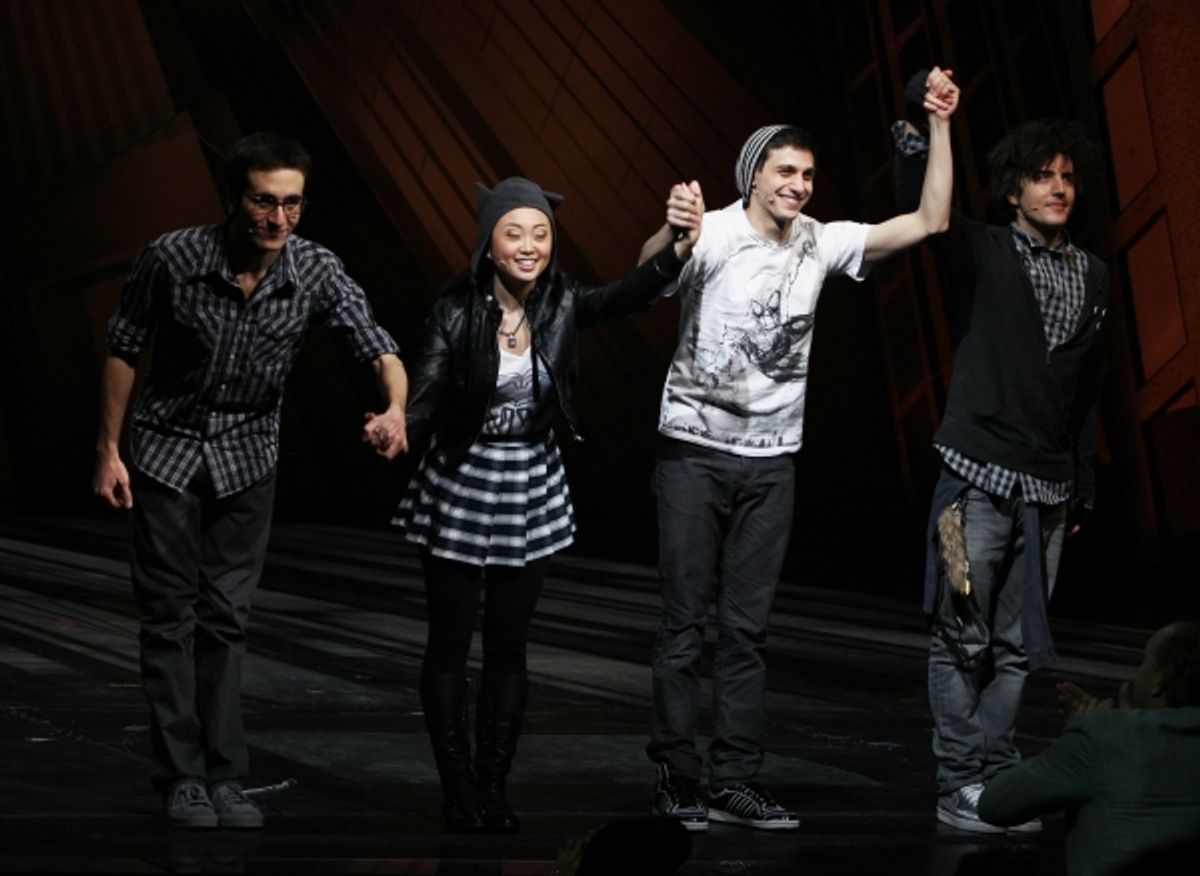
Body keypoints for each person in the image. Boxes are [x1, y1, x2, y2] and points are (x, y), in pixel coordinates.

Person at [636, 67, 960, 832]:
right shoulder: (713, 229)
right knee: (686, 623)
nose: (801, 186)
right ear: (753, 176)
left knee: (747, 630)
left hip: (771, 462)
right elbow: (651, 274)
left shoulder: (822, 242)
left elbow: (930, 221)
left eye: (809, 175)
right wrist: (672, 231)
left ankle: (734, 779)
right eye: (787, 171)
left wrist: (941, 123)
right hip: (692, 451)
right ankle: (676, 776)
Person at [92, 131, 409, 830]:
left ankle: (226, 777)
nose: (278, 219)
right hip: (167, 450)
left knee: (226, 618)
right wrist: (108, 449)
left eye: (292, 205)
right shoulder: (173, 257)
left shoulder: (315, 270)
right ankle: (182, 778)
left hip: (247, 457)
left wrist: (394, 408)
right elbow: (123, 347)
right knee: (169, 618)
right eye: (264, 202)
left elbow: (376, 344)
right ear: (235, 199)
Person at [394, 175, 703, 833]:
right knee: (450, 644)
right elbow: (425, 389)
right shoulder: (455, 310)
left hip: (529, 484)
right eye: (515, 233)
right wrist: (396, 426)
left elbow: (623, 297)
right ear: (488, 244)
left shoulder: (561, 302)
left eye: (541, 234)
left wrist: (675, 251)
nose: (530, 245)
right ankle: (458, 790)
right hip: (460, 478)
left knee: (509, 646)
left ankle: (492, 786)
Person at [892, 94, 1112, 834]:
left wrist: (1079, 486)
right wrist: (934, 120)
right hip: (971, 481)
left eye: (1067, 177)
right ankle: (958, 779)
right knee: (961, 632)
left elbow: (1087, 393)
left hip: (1046, 491)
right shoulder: (982, 250)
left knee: (1019, 646)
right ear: (1013, 188)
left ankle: (993, 777)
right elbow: (927, 205)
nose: (1057, 187)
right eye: (1042, 176)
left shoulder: (1095, 276)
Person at [977, 621, 1200, 875]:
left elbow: (994, 805)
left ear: (1158, 680)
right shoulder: (1111, 732)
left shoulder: (1103, 735)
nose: (1136, 674)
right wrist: (1122, 722)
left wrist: (1093, 729)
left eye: (1143, 663)